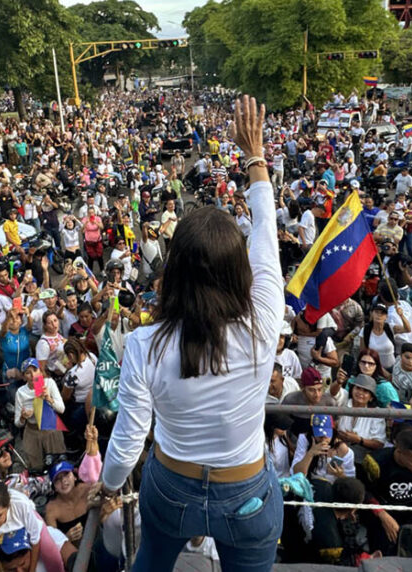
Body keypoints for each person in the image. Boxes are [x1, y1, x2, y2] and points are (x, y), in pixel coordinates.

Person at [99, 95, 284, 571]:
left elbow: (129, 439)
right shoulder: (264, 319)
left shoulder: (145, 342)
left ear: (174, 269)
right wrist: (255, 156)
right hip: (247, 491)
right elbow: (265, 230)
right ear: (239, 270)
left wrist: (107, 486)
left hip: (171, 488)